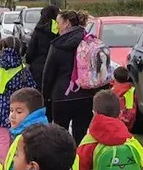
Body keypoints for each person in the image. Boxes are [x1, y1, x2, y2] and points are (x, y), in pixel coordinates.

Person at [43, 10, 104, 143]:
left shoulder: (58, 44)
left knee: (60, 136)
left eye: (58, 23)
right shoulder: (89, 40)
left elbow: (48, 74)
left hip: (61, 96)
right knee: (81, 135)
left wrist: (45, 96)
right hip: (86, 94)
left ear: (67, 23)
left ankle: (63, 162)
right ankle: (80, 161)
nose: (57, 26)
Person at [0, 36, 37, 162]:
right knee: (15, 142)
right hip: (18, 112)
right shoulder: (23, 69)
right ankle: (14, 167)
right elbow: (32, 89)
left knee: (2, 141)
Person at [2, 87, 49, 170]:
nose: (12, 115)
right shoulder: (21, 133)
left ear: (33, 114)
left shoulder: (32, 138)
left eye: (19, 111)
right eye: (11, 110)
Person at [25, 4, 59, 94]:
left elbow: (30, 54)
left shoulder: (38, 31)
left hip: (39, 70)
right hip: (56, 71)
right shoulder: (60, 31)